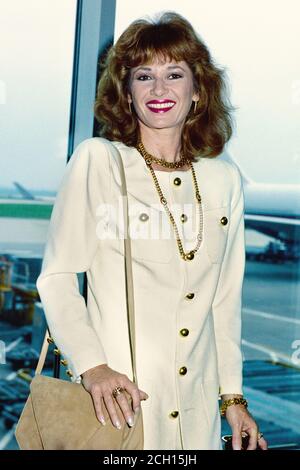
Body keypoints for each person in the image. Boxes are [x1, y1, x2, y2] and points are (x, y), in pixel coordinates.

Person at [36, 11, 268, 450]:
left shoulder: (224, 178)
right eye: (144, 76)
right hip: (118, 409)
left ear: (197, 90)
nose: (159, 90)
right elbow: (58, 276)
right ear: (126, 93)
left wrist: (232, 399)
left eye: (174, 74)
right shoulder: (99, 162)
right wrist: (94, 368)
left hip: (197, 421)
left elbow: (224, 300)